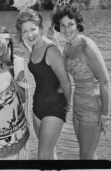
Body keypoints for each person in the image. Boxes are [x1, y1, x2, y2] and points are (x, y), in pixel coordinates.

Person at [51, 5, 111, 160]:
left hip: (92, 107)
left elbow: (104, 81)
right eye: (62, 25)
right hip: (78, 104)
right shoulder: (68, 46)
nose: (66, 29)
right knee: (84, 154)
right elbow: (63, 67)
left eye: (70, 24)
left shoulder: (87, 47)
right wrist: (53, 40)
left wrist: (105, 115)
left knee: (86, 155)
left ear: (77, 24)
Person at [15, 8, 72, 160]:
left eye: (33, 29)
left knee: (43, 158)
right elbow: (34, 61)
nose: (29, 34)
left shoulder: (51, 50)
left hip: (54, 107)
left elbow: (66, 82)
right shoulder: (33, 47)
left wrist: (67, 107)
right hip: (37, 107)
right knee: (49, 153)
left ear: (40, 28)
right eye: (25, 31)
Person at [0, 25, 31, 160]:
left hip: (14, 128)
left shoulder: (18, 63)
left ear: (8, 41)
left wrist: (8, 76)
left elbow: (23, 98)